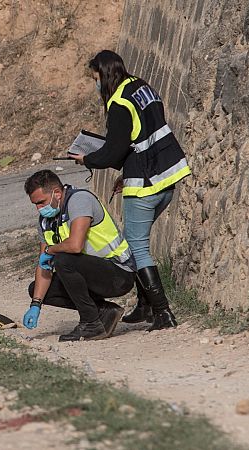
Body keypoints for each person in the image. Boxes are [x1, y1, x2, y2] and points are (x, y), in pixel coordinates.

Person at [70, 50, 192, 331]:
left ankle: (163, 313)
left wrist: (86, 158)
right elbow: (143, 138)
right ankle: (145, 305)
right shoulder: (141, 87)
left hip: (145, 185)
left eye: (96, 78)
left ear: (105, 74)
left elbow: (113, 152)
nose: (95, 85)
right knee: (131, 241)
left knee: (135, 247)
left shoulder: (119, 103)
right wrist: (127, 171)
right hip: (166, 177)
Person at [21, 170, 135, 341]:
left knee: (63, 259)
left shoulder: (79, 200)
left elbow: (75, 246)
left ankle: (90, 323)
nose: (38, 208)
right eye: (35, 204)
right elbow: (43, 266)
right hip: (91, 274)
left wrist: (50, 251)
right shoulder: (45, 221)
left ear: (57, 194)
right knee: (37, 289)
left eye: (41, 202)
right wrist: (35, 304)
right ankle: (103, 311)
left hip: (118, 273)